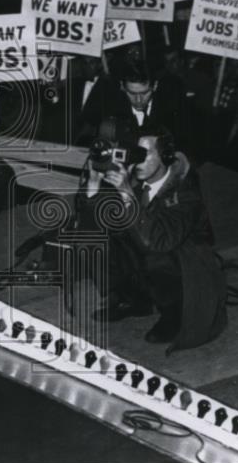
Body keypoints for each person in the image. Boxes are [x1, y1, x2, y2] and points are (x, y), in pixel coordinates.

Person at [76, 128, 226, 351]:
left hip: (186, 262)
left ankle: (174, 313)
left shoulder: (185, 190)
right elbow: (91, 222)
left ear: (166, 156)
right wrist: (93, 185)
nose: (137, 162)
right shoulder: (132, 177)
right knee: (93, 236)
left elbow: (158, 242)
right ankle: (133, 299)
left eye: (145, 154)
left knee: (156, 255)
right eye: (135, 153)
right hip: (150, 244)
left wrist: (126, 193)